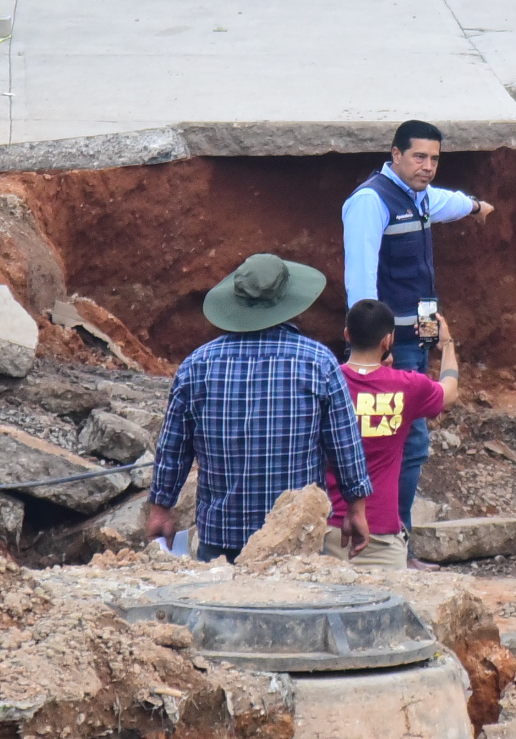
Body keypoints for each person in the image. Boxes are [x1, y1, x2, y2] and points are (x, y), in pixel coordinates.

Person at [147, 253, 373, 562]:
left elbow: (173, 448)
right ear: (287, 300)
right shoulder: (318, 363)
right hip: (296, 541)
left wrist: (161, 508)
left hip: (220, 539)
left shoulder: (196, 367)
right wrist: (356, 508)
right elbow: (344, 445)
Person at [342, 119, 493, 565]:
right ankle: (392, 539)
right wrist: (375, 345)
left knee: (408, 433)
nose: (427, 167)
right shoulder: (371, 202)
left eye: (434, 159)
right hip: (394, 338)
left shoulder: (419, 196)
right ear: (395, 155)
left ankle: (390, 530)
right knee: (409, 439)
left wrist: (476, 205)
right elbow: (361, 280)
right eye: (419, 157)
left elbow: (445, 203)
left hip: (422, 327)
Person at [322, 299, 459, 569]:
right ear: (388, 341)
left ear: (347, 334)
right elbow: (449, 391)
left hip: (327, 532)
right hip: (381, 536)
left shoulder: (325, 382)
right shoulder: (408, 386)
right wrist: (447, 345)